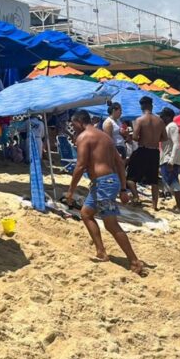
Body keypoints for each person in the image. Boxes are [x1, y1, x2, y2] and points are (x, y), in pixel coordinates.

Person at [64, 111, 143, 275]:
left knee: (111, 224)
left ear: (79, 122)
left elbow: (80, 166)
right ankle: (101, 251)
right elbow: (120, 164)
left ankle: (134, 261)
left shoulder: (84, 137)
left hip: (103, 184)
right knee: (86, 214)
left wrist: (70, 191)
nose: (73, 128)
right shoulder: (105, 137)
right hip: (109, 181)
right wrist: (122, 188)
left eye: (73, 125)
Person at [129, 97, 166, 210]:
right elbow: (165, 137)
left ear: (141, 106)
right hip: (154, 151)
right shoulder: (160, 121)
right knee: (154, 180)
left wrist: (138, 138)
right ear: (151, 106)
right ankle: (155, 206)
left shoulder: (140, 120)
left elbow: (135, 137)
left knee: (131, 178)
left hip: (143, 149)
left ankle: (136, 198)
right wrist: (154, 139)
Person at [158, 109, 180, 211]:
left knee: (173, 183)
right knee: (173, 181)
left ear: (168, 117)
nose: (161, 118)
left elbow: (176, 144)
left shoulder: (172, 126)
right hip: (167, 158)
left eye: (162, 116)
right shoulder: (168, 127)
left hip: (169, 159)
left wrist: (171, 161)